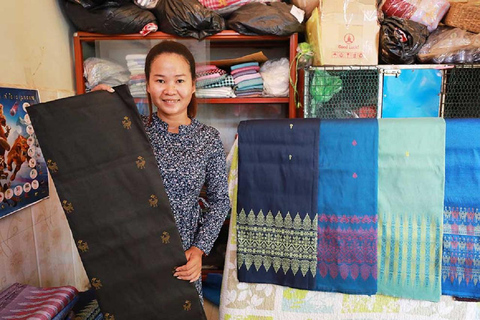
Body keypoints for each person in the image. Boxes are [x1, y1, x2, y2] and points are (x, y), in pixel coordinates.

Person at [93, 41, 230, 302]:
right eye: (160, 80)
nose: (170, 90)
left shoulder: (209, 139)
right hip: (133, 255)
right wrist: (94, 106)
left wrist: (199, 250)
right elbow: (95, 164)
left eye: (179, 80)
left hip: (182, 260)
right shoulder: (130, 132)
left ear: (192, 86)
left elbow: (220, 201)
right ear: (147, 85)